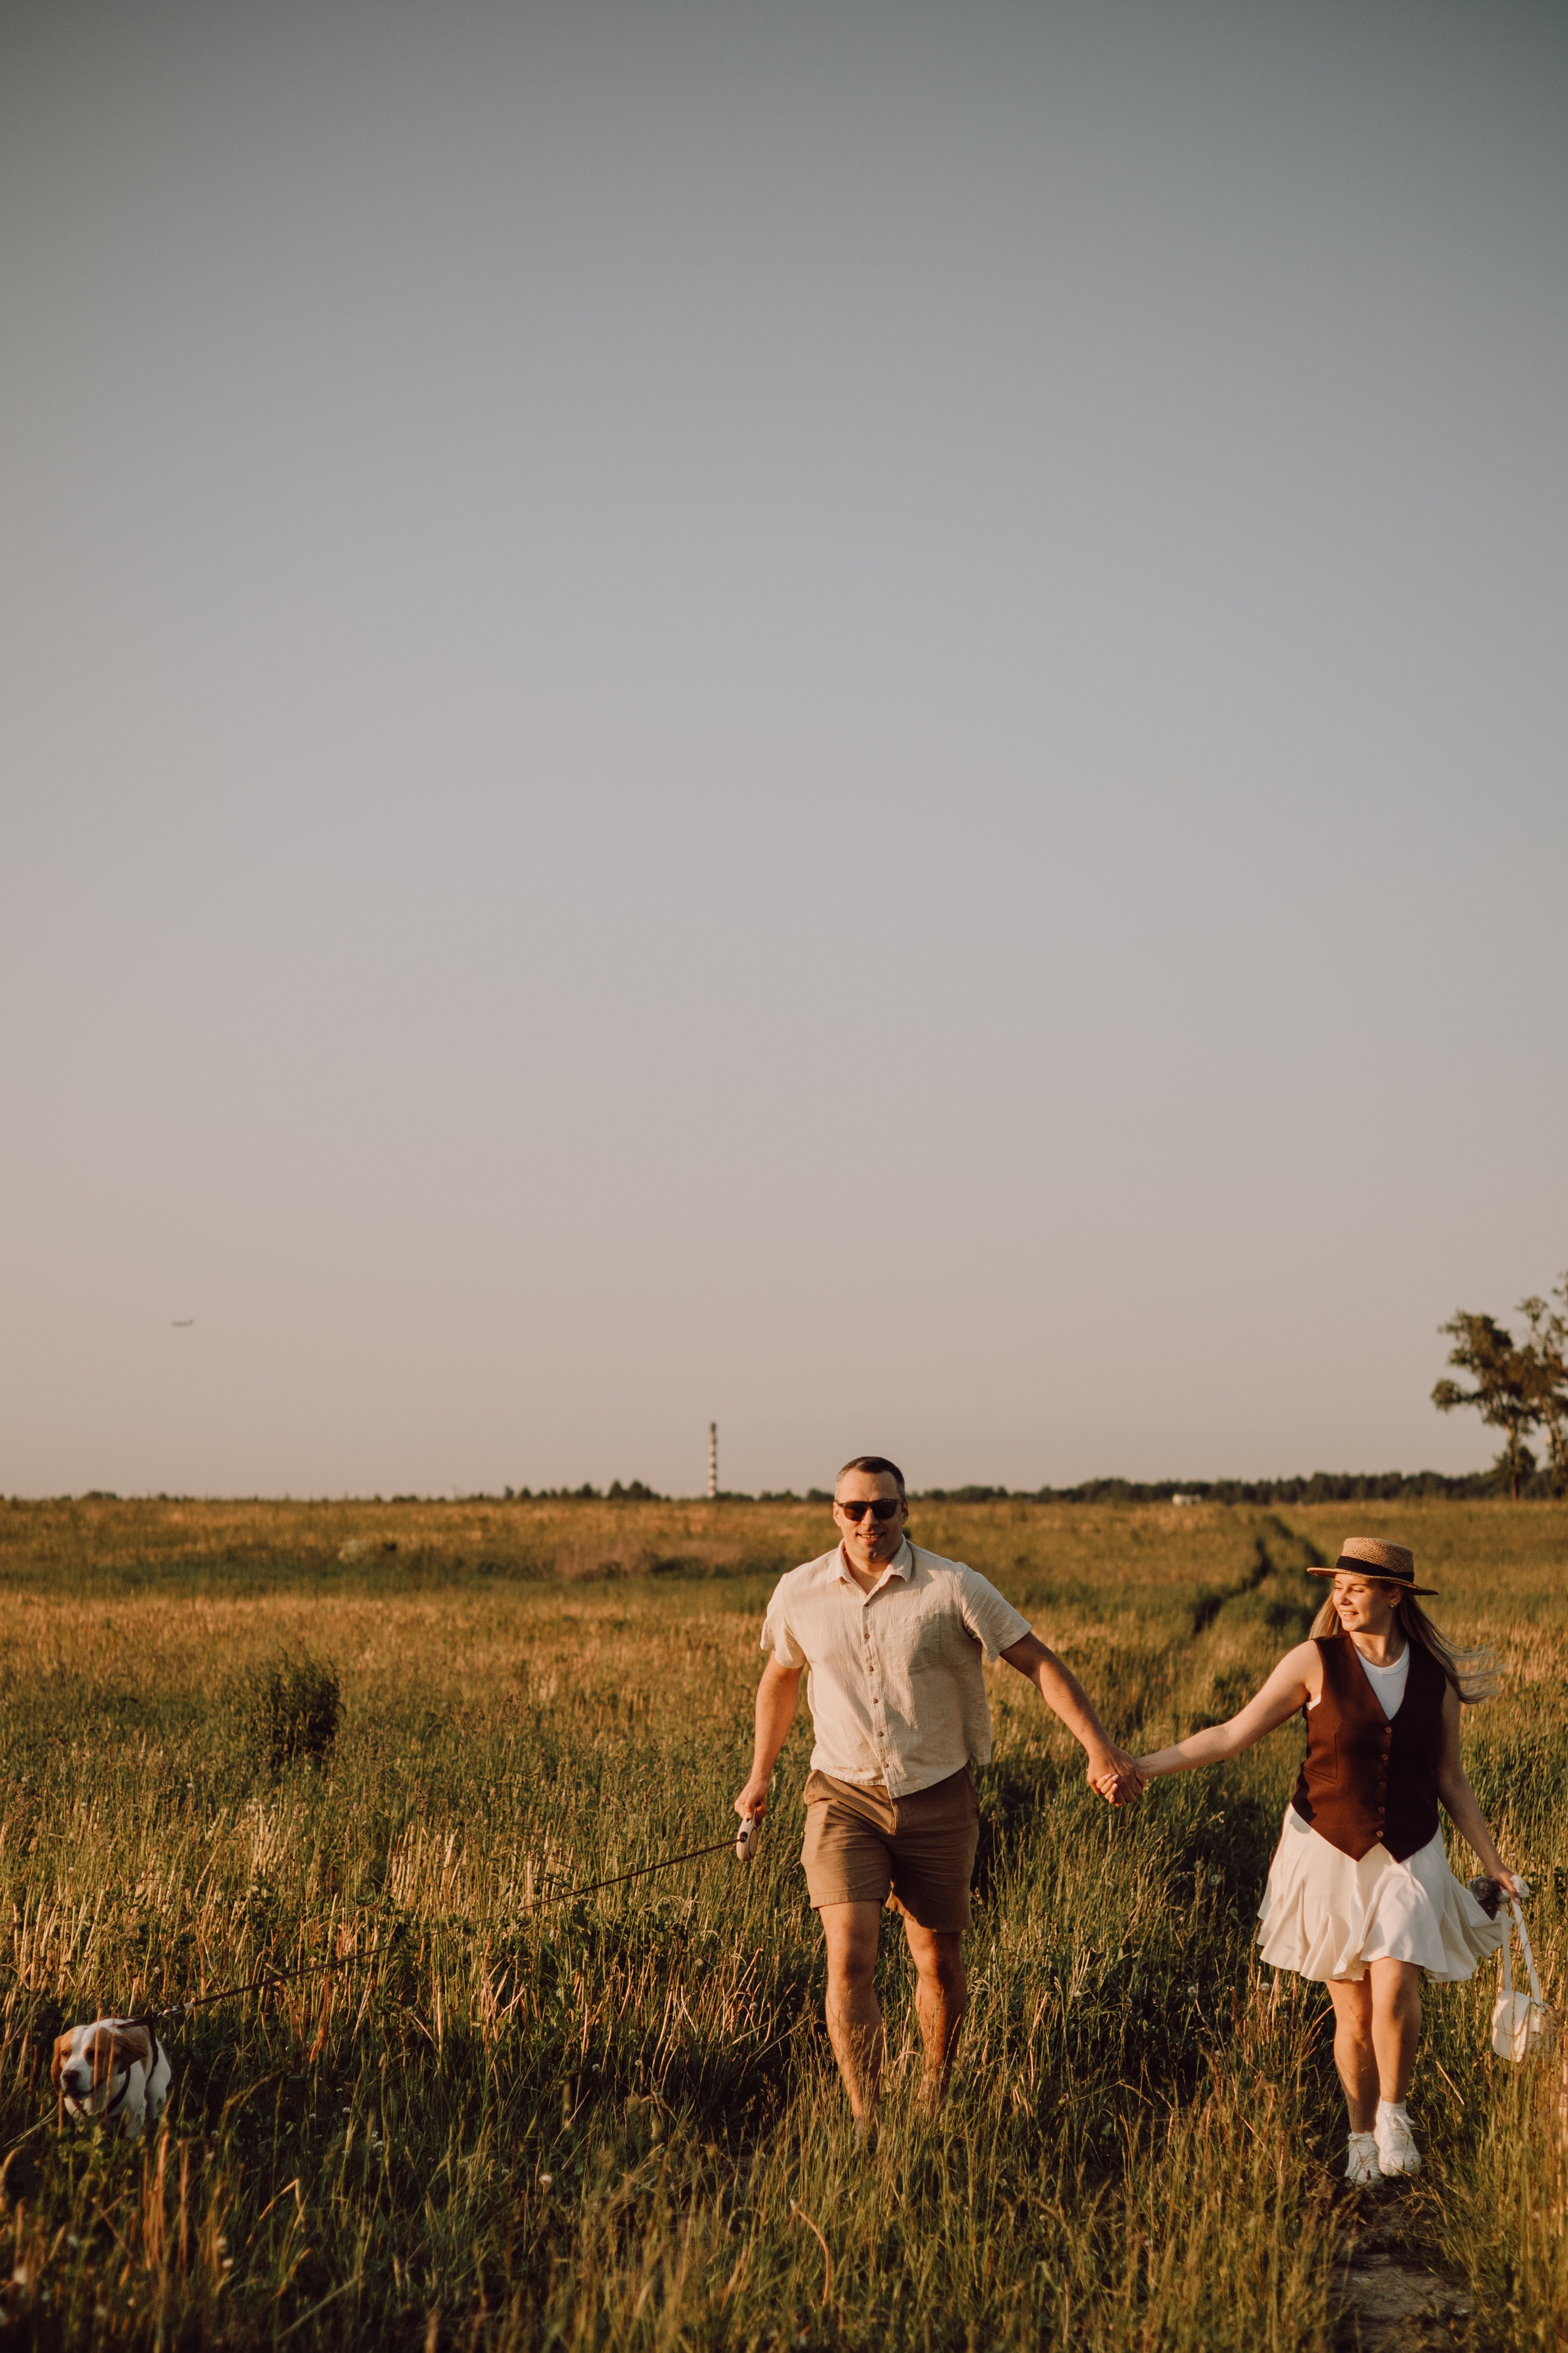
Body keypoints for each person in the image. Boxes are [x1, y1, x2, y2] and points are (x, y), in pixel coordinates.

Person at [733, 1455, 1142, 2135]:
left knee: (937, 1959)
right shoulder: (798, 1591)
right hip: (841, 1794)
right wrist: (759, 1775)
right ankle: (866, 2118)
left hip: (938, 1792)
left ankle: (933, 2093)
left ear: (905, 1510)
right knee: (849, 1953)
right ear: (835, 1513)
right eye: (855, 1509)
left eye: (884, 1508)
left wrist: (1097, 1747)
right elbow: (779, 1679)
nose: (870, 1522)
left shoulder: (954, 1585)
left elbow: (1036, 1660)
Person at [1133, 1536, 1523, 2186]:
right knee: (1352, 2014)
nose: (1340, 1597)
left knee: (1397, 1980)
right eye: (1336, 1585)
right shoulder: (1312, 1661)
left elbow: (1450, 1777)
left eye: (1356, 1586)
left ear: (1393, 1594)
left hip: (1410, 1847)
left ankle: (1394, 2116)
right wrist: (1141, 1765)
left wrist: (1493, 1862)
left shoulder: (1434, 1677)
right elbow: (1232, 1734)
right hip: (1328, 1850)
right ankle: (1359, 2138)